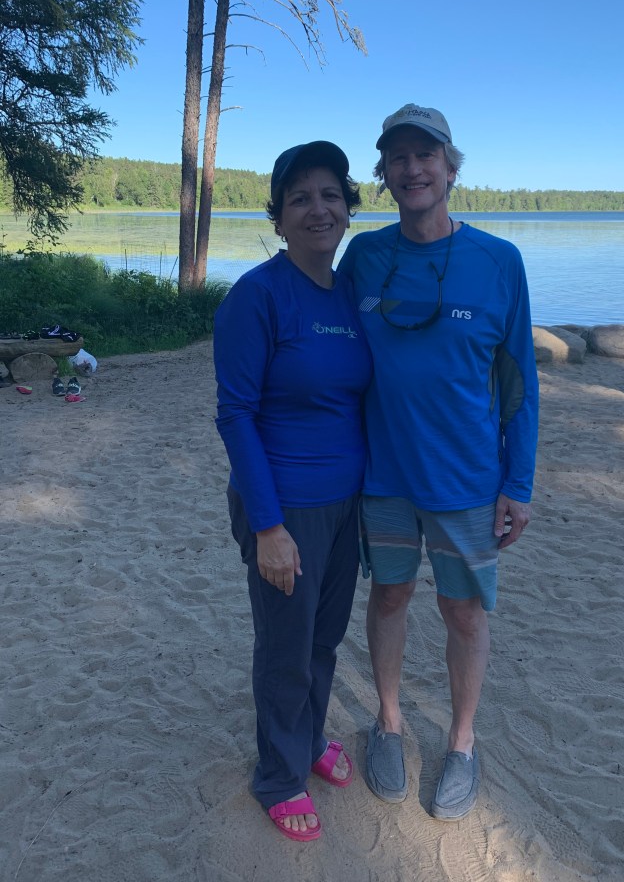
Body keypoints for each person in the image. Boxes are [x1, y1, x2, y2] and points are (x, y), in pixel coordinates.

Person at [338, 104, 539, 821]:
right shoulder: (364, 257)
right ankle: (389, 723)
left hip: (468, 482)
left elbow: (519, 381)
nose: (413, 168)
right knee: (390, 596)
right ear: (385, 174)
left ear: (451, 169)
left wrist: (519, 482)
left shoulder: (499, 262)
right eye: (398, 157)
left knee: (464, 612)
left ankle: (461, 741)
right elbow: (331, 347)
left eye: (426, 155)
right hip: (383, 476)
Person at [214, 141, 372, 842]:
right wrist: (269, 526)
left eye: (331, 194)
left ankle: (306, 741)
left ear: (348, 209)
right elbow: (235, 414)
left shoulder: (351, 294)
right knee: (285, 648)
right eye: (300, 197)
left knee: (323, 640)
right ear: (277, 217)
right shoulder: (256, 296)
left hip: (347, 505)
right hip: (284, 504)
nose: (318, 208)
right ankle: (279, 776)